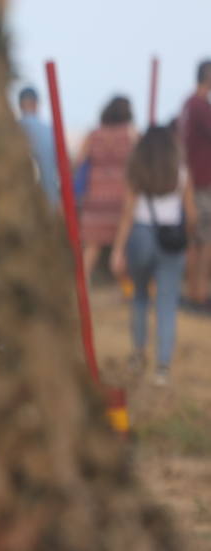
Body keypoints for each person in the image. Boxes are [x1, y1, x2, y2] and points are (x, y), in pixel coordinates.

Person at [111, 125, 196, 386]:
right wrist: (188, 242)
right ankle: (162, 368)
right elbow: (192, 216)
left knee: (139, 296)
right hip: (171, 240)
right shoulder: (181, 174)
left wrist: (117, 250)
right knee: (167, 303)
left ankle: (138, 355)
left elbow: (127, 214)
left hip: (141, 236)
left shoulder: (137, 173)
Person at [75, 96, 137, 285]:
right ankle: (128, 291)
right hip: (123, 197)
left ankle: (80, 289)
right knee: (122, 248)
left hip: (95, 198)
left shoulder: (93, 135)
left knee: (92, 248)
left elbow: (78, 163)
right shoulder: (131, 135)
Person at [179, 60, 211, 306]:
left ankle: (195, 292)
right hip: (202, 182)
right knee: (204, 240)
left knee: (196, 240)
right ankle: (199, 294)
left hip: (193, 180)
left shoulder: (189, 104)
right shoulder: (200, 106)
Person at [17, 86, 61, 208]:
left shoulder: (12, 131)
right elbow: (63, 165)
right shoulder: (50, 131)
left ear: (20, 105)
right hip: (48, 200)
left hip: (18, 203)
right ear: (36, 103)